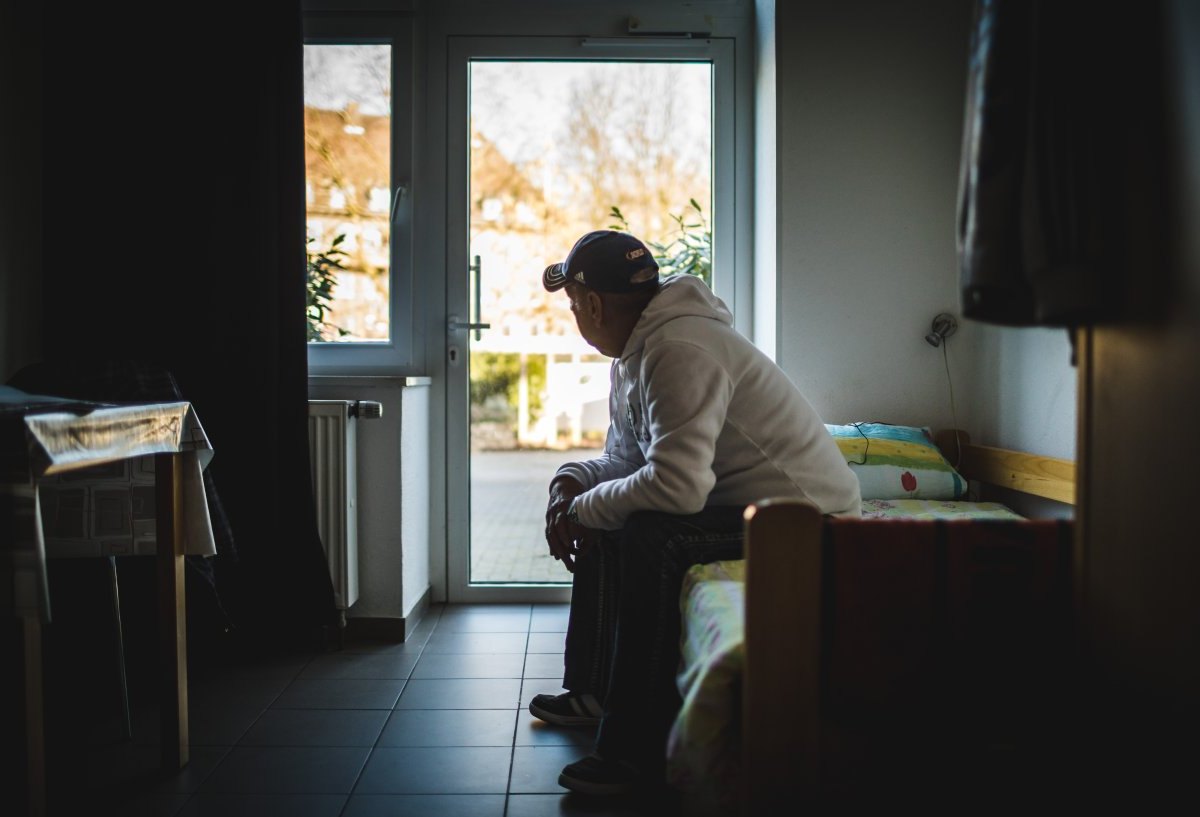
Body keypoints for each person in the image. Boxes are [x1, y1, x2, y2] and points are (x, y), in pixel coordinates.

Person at [532, 229, 861, 796]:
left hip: (808, 519)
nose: (575, 318)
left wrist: (585, 511)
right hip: (745, 506)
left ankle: (636, 751)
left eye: (572, 306)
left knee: (651, 534)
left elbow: (677, 490)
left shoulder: (679, 349)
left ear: (591, 303)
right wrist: (572, 487)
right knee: (611, 514)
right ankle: (593, 692)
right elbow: (628, 462)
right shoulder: (639, 353)